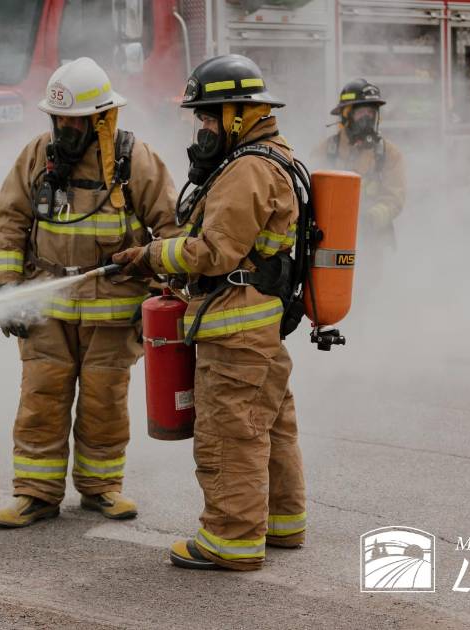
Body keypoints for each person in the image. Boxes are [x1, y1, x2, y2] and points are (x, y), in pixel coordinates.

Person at [112, 54, 306, 571]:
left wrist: (151, 255)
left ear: (238, 114)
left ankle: (231, 539)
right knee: (270, 426)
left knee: (230, 433)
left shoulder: (247, 169)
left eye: (206, 116)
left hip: (234, 327)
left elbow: (214, 252)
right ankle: (283, 523)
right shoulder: (271, 157)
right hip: (258, 323)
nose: (200, 128)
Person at [0, 57, 181, 528]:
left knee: (104, 404)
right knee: (40, 399)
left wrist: (157, 290)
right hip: (46, 307)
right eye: (59, 119)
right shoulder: (37, 155)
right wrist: (7, 288)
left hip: (113, 314)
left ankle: (101, 489)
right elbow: (10, 219)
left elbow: (172, 229)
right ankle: (35, 493)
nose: (65, 128)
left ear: (102, 118)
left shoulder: (135, 160)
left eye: (75, 119)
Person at [312, 79, 406, 276]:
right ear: (346, 115)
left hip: (373, 244)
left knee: (372, 293)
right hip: (332, 241)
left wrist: (368, 220)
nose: (368, 117)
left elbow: (394, 199)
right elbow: (311, 194)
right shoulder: (326, 150)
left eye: (372, 112)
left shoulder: (388, 153)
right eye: (362, 112)